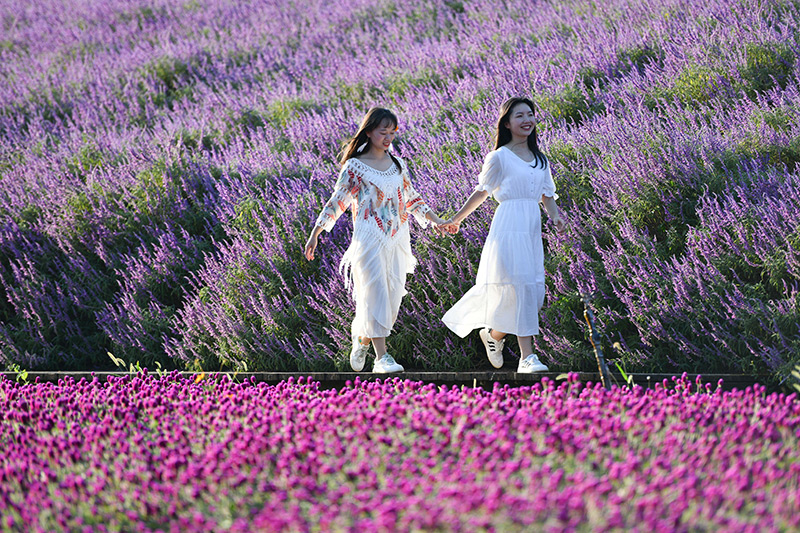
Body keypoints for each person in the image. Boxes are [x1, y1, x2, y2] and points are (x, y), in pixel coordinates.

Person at [305, 107, 446, 373]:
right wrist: (316, 232)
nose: (388, 137)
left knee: (392, 299)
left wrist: (436, 220)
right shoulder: (355, 166)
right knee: (375, 293)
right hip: (368, 238)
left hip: (398, 238)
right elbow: (338, 201)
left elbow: (412, 198)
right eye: (383, 132)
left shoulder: (398, 165)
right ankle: (382, 358)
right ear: (369, 132)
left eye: (392, 132)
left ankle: (362, 337)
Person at [441, 97, 566, 373]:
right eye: (519, 115)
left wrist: (555, 216)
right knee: (520, 287)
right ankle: (527, 358)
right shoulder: (499, 157)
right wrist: (456, 219)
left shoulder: (541, 160)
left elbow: (547, 194)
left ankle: (494, 335)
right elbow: (482, 192)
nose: (527, 120)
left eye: (530, 114)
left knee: (531, 291)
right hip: (508, 227)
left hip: (531, 228)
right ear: (507, 123)